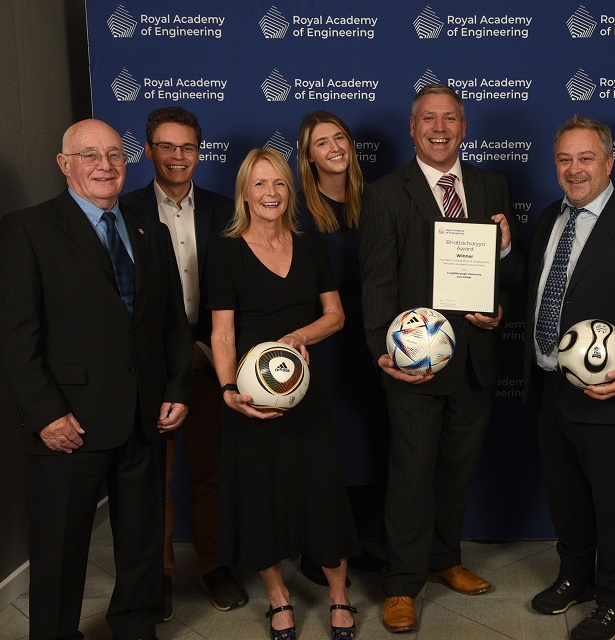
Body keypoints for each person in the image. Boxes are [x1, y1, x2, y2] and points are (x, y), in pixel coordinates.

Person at [0, 119, 194, 640]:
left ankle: (135, 626)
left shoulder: (148, 229)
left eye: (114, 154)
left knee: (142, 542)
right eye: (89, 155)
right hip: (69, 423)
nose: (105, 165)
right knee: (59, 549)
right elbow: (16, 337)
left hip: (144, 417)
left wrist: (176, 389)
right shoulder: (27, 230)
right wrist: (46, 415)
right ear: (64, 165)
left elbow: (172, 324)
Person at [359, 83, 522, 634]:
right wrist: (383, 349)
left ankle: (444, 558)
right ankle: (402, 584)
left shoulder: (491, 185)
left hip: (476, 360)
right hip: (415, 363)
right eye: (428, 118)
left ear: (463, 127)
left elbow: (509, 274)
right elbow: (377, 281)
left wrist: (500, 303)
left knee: (457, 470)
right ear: (412, 128)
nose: (439, 128)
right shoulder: (386, 194)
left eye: (449, 118)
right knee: (410, 475)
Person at [525, 115, 615, 640]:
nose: (574, 169)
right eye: (564, 159)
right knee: (566, 497)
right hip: (549, 385)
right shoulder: (549, 217)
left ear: (610, 162)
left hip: (610, 391)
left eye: (586, 158)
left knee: (614, 507)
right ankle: (575, 576)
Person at [208, 148, 360, 640]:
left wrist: (298, 337)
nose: (270, 193)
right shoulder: (226, 252)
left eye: (278, 183)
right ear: (244, 193)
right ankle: (279, 599)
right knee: (260, 498)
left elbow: (335, 315)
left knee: (322, 491)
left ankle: (339, 595)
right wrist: (229, 390)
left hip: (306, 393)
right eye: (259, 184)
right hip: (251, 397)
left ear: (290, 192)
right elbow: (222, 333)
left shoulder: (310, 244)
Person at [120, 106, 246, 620]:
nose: (178, 156)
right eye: (167, 146)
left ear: (200, 151)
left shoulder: (226, 210)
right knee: (156, 476)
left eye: (187, 147)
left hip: (212, 358)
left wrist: (205, 348)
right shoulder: (122, 210)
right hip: (151, 367)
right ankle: (162, 574)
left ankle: (215, 566)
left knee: (213, 472)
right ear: (148, 150)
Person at [295, 110, 387, 583]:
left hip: (375, 337)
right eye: (321, 142)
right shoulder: (297, 211)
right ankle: (319, 552)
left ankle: (351, 543)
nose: (334, 148)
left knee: (371, 445)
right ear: (308, 156)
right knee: (333, 451)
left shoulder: (376, 201)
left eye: (339, 138)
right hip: (327, 343)